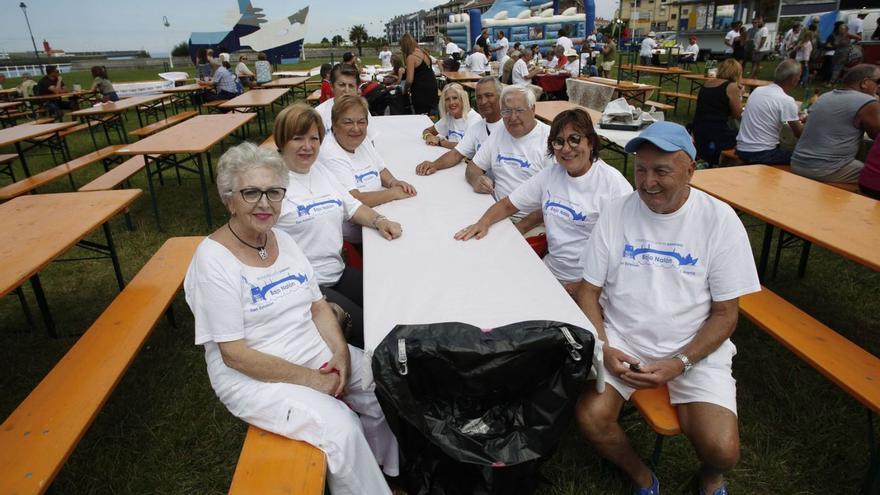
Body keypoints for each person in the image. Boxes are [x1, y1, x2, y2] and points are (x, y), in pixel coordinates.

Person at [183, 142, 400, 495]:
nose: (265, 203)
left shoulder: (283, 239)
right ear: (229, 200)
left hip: (308, 347)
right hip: (255, 374)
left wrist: (341, 355)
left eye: (274, 192)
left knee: (381, 381)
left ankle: (386, 468)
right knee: (340, 428)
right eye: (251, 192)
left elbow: (317, 307)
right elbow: (234, 354)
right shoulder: (213, 261)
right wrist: (313, 381)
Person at [574, 121, 760, 495]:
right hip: (624, 342)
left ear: (691, 169)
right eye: (640, 169)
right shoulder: (616, 212)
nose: (647, 182)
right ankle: (643, 477)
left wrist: (681, 362)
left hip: (692, 349)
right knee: (591, 418)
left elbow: (726, 314)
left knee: (723, 451)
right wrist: (604, 345)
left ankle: (709, 477)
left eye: (661, 170)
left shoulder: (719, 220)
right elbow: (588, 292)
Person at [455, 108, 631, 297]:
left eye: (575, 139)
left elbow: (627, 252)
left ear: (591, 142)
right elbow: (508, 205)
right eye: (559, 142)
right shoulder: (551, 175)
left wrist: (586, 287)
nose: (566, 148)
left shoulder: (613, 185)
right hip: (548, 272)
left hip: (591, 286)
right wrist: (483, 222)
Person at [274, 103, 403, 348]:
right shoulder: (272, 183)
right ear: (282, 140)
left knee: (390, 303)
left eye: (314, 138)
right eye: (297, 138)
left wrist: (379, 221)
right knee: (372, 330)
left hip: (336, 270)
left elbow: (351, 206)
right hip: (305, 285)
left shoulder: (319, 170)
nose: (308, 146)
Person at [317, 94, 417, 243]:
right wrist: (393, 193)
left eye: (361, 122)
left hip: (381, 211)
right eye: (348, 122)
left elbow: (380, 168)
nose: (356, 128)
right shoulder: (330, 152)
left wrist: (394, 182)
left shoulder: (362, 141)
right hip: (357, 230)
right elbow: (355, 199)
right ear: (334, 124)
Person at [466, 85, 553, 233]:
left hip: (531, 221)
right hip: (495, 211)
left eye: (519, 110)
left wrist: (519, 228)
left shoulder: (550, 140)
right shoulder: (500, 131)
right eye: (506, 111)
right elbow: (473, 167)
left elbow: (554, 201)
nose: (513, 118)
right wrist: (477, 180)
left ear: (532, 109)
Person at [791, 64, 880, 184]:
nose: (878, 86)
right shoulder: (868, 102)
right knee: (872, 177)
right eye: (878, 81)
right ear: (865, 83)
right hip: (828, 169)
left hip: (797, 162)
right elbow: (877, 136)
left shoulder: (824, 96)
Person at [415, 76, 503, 176]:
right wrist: (434, 164)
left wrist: (440, 142)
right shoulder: (477, 128)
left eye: (489, 95)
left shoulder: (510, 127)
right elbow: (457, 154)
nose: (483, 101)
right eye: (479, 97)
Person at [736, 59, 804, 164]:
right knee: (803, 160)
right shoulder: (786, 100)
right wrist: (810, 122)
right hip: (762, 153)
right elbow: (799, 133)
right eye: (799, 77)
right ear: (794, 79)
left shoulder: (757, 91)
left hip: (741, 149)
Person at [692, 59, 744, 165]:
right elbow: (737, 114)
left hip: (698, 129)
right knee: (745, 141)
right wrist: (740, 95)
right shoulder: (731, 86)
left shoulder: (707, 83)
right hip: (717, 132)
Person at [422, 83, 482, 149]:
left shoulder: (475, 119)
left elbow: (467, 147)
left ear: (462, 99)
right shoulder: (449, 116)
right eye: (447, 99)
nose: (451, 103)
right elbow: (427, 130)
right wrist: (429, 136)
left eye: (455, 98)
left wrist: (440, 142)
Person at [401, 33, 439, 115]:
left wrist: (404, 90)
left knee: (420, 115)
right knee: (429, 115)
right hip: (432, 87)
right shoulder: (424, 53)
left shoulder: (411, 57)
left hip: (421, 90)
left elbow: (409, 80)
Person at [316, 64, 360, 134]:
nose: (347, 90)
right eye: (342, 85)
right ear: (332, 87)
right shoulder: (319, 114)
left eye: (351, 86)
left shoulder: (362, 110)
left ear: (357, 89)